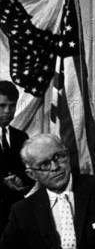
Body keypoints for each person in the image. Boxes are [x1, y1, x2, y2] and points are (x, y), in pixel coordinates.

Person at [0, 134, 95, 249]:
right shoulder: (22, 212)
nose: (55, 167)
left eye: (58, 157)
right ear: (32, 174)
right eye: (44, 164)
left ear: (68, 156)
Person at [0, 81, 32, 234]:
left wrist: (22, 182)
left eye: (12, 106)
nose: (8, 111)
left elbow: (31, 172)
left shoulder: (21, 137)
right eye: (2, 106)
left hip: (16, 215)